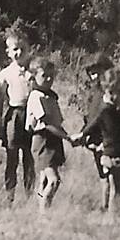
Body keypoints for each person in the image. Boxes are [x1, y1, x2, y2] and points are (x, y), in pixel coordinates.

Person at [72, 68, 120, 212]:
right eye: (119, 93)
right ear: (110, 91)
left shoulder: (116, 111)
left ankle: (114, 217)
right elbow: (93, 126)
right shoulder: (107, 110)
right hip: (112, 153)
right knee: (116, 189)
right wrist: (82, 135)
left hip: (119, 153)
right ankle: (111, 218)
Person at [0, 31, 35, 202]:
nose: (19, 53)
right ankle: (10, 195)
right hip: (14, 115)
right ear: (8, 52)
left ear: (29, 49)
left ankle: (30, 195)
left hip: (31, 114)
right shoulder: (5, 73)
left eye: (22, 49)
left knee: (29, 157)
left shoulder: (34, 71)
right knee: (12, 156)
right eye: (15, 49)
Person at [25, 58, 70, 210]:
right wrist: (68, 137)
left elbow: (57, 121)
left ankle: (40, 207)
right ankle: (45, 210)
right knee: (54, 180)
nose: (49, 79)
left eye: (52, 75)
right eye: (44, 75)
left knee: (43, 179)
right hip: (43, 140)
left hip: (53, 139)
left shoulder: (51, 96)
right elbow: (47, 122)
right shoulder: (36, 96)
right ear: (34, 76)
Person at [81, 56, 114, 181]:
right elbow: (90, 116)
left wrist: (84, 133)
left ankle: (119, 201)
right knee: (103, 176)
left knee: (112, 177)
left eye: (97, 72)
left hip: (107, 138)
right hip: (95, 136)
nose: (94, 77)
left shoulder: (109, 93)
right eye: (91, 73)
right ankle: (105, 201)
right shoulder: (93, 92)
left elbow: (102, 116)